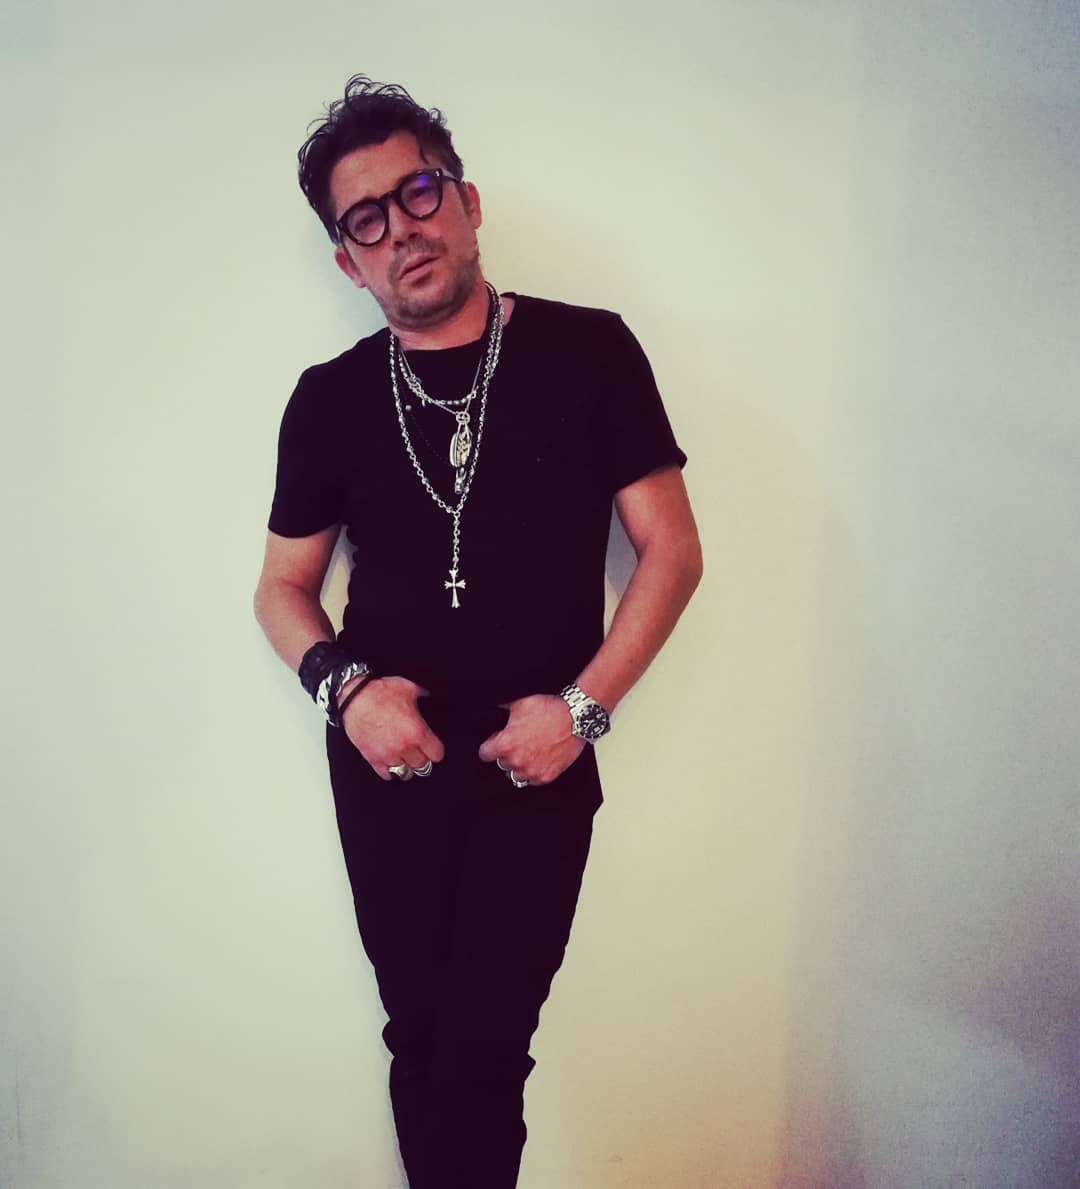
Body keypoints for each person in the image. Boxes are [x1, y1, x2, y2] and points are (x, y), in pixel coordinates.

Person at [253, 75, 703, 1189]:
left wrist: (581, 713)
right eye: (366, 220)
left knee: (487, 1047)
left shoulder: (591, 353)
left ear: (466, 200)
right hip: (387, 764)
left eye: (418, 193)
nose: (401, 230)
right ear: (348, 262)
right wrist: (349, 692)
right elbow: (281, 588)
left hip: (535, 762)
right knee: (418, 1037)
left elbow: (672, 551)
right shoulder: (328, 399)